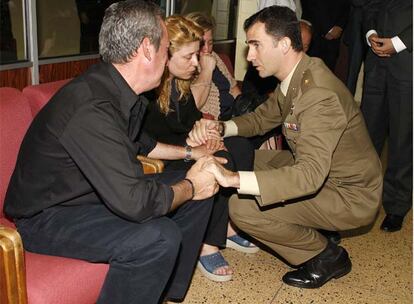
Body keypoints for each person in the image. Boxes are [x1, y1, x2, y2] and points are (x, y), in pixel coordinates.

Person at [3, 1, 224, 303]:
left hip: (89, 195)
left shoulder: (119, 91)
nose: (167, 55)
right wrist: (190, 186)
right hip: (46, 218)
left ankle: (165, 292)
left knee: (198, 197)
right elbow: (135, 202)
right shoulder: (92, 107)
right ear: (148, 49)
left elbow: (140, 146)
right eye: (165, 48)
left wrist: (191, 159)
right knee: (160, 236)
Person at [188, 6, 383, 289]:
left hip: (348, 193)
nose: (249, 55)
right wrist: (222, 127)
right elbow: (263, 118)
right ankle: (300, 224)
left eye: (256, 45)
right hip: (322, 172)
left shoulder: (318, 95)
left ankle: (327, 255)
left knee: (242, 207)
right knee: (242, 159)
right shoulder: (298, 74)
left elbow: (309, 176)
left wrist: (232, 180)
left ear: (284, 44)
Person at [142, 15, 258, 283]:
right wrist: (193, 150)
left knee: (239, 146)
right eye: (189, 57)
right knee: (219, 160)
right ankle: (207, 243)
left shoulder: (179, 83)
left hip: (179, 146)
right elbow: (144, 142)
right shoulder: (146, 91)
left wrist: (203, 133)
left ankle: (226, 227)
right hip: (159, 157)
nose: (197, 63)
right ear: (165, 55)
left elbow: (190, 120)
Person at [360, 0, 412, 232]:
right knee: (366, 136)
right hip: (375, 64)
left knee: (402, 138)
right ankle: (360, 199)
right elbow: (370, 6)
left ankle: (397, 206)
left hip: (408, 63)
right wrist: (371, 33)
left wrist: (399, 43)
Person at [301, 0, 350, 71]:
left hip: (335, 36)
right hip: (313, 34)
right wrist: (328, 29)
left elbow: (347, 6)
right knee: (308, 72)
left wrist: (340, 26)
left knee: (328, 73)